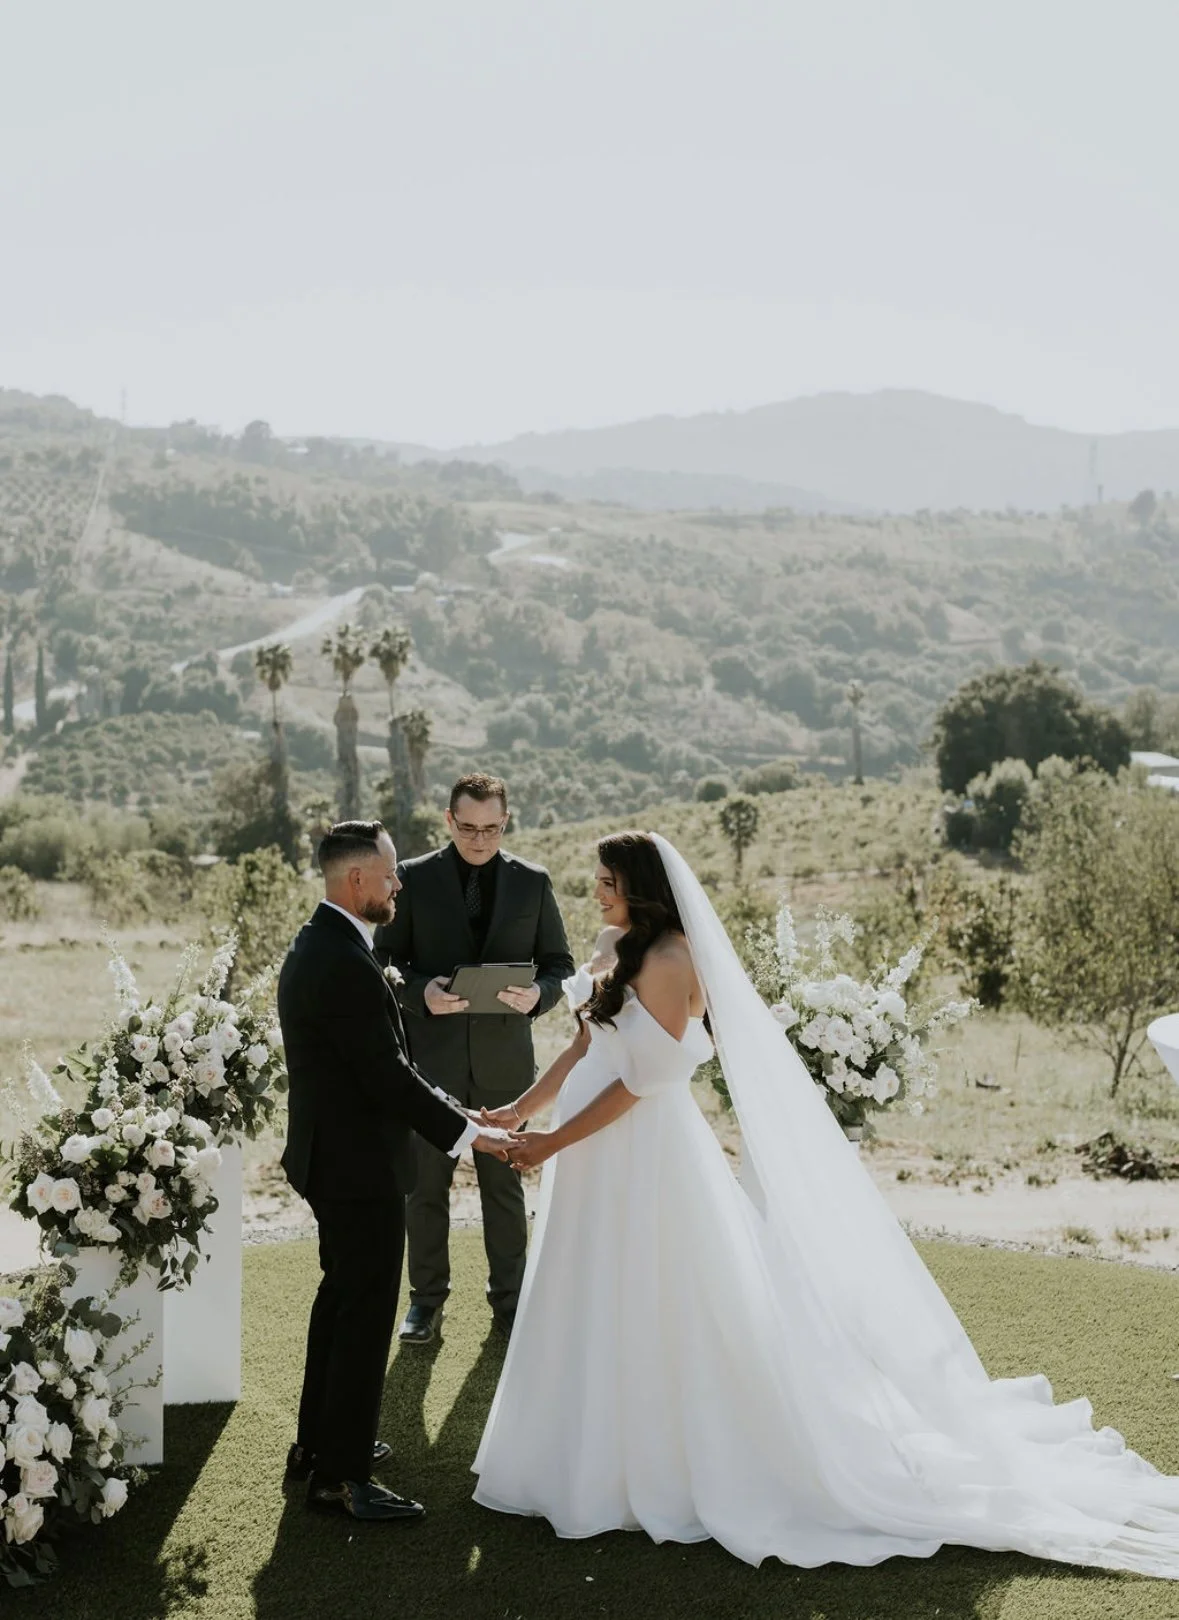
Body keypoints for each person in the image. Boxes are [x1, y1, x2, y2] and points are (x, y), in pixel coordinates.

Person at [471, 830, 1179, 1578]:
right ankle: (581, 1458)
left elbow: (640, 1084)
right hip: (588, 1152)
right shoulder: (612, 945)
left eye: (607, 880)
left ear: (641, 885)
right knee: (590, 1289)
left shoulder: (673, 960)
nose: (597, 892)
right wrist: (521, 1110)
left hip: (640, 1155)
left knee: (662, 1296)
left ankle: (659, 1463)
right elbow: (586, 1048)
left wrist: (552, 1144)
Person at [278, 820, 515, 1523]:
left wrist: (464, 1114)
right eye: (389, 874)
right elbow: (386, 1076)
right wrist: (468, 1133)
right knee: (364, 1312)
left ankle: (319, 1444)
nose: (398, 884)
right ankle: (339, 1480)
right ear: (356, 881)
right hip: (355, 1168)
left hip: (336, 1159)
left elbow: (390, 1068)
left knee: (341, 1300)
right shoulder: (341, 959)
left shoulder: (329, 943)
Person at [374, 773, 573, 1343]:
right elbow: (384, 960)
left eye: (491, 828)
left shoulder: (533, 883)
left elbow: (558, 964)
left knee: (504, 1190)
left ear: (505, 822)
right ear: (448, 819)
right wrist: (420, 993)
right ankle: (425, 1305)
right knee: (425, 1189)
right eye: (468, 827)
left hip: (506, 1071)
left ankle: (511, 1305)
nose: (480, 839)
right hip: (429, 1066)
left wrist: (540, 996)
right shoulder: (410, 878)